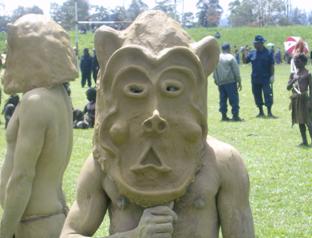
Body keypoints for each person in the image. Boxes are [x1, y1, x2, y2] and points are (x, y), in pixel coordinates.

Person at [61, 10, 254, 238]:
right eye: (136, 90)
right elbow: (70, 234)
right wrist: (135, 235)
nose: (155, 113)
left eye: (172, 89)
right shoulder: (105, 163)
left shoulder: (224, 163)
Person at [0, 14, 78, 238]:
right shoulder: (59, 95)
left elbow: (23, 176)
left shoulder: (35, 101)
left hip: (34, 225)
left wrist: (4, 233)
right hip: (49, 218)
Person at [246, 35, 275, 118]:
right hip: (255, 79)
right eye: (254, 43)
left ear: (261, 43)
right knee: (257, 95)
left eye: (256, 43)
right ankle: (261, 112)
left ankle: (269, 112)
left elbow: (271, 65)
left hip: (266, 78)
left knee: (268, 95)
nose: (254, 44)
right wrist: (244, 52)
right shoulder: (252, 53)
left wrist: (272, 76)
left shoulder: (268, 53)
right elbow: (245, 61)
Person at [287, 53, 312, 146]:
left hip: (305, 99)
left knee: (308, 121)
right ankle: (304, 141)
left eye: (298, 61)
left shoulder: (308, 74)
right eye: (295, 61)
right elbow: (288, 87)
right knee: (300, 121)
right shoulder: (293, 74)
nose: (296, 63)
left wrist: (310, 102)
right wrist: (294, 80)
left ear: (304, 62)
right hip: (296, 99)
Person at [213, 43, 243, 121]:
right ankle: (235, 116)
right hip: (230, 82)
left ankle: (224, 116)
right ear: (229, 49)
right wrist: (239, 81)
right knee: (234, 100)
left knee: (222, 100)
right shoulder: (231, 57)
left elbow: (214, 70)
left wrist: (216, 80)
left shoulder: (216, 58)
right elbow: (236, 70)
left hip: (221, 83)